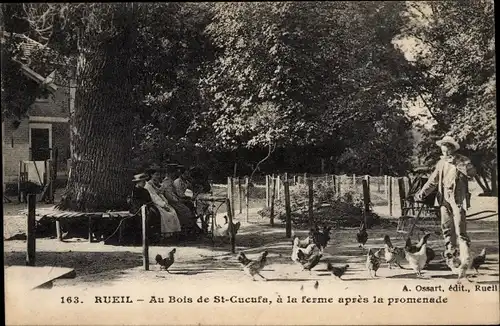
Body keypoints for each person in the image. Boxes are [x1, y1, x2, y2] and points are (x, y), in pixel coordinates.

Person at [414, 135, 476, 266]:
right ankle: (451, 257)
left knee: (460, 230)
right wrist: (421, 193)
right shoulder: (441, 163)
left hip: (459, 199)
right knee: (447, 228)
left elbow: (472, 173)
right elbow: (433, 181)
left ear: (452, 149)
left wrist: (462, 166)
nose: (445, 152)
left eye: (447, 150)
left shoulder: (463, 160)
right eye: (443, 150)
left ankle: (465, 258)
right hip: (444, 200)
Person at [144, 164, 182, 239]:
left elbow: (160, 193)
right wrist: (163, 205)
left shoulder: (157, 184)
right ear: (151, 175)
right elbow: (154, 197)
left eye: (158, 175)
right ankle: (165, 234)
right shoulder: (148, 185)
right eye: (156, 175)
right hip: (154, 203)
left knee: (172, 211)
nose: (158, 176)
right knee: (165, 214)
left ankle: (172, 233)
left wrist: (165, 202)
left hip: (161, 201)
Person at [161, 163, 197, 236]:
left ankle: (189, 229)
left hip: (176, 200)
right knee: (185, 211)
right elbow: (170, 196)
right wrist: (180, 200)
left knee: (189, 207)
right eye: (175, 172)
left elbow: (176, 194)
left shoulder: (171, 181)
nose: (176, 173)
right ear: (171, 173)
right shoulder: (167, 182)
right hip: (171, 202)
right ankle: (184, 231)